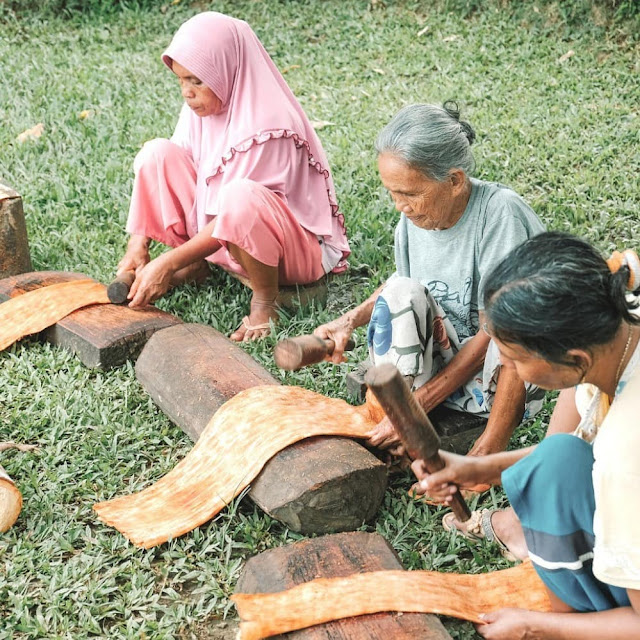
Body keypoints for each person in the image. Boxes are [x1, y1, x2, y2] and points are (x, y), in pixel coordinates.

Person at [414, 232, 640, 639]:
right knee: (558, 461)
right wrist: (477, 467)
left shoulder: (625, 456)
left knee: (556, 470)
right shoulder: (618, 319)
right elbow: (568, 449)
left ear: (574, 359)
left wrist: (536, 625)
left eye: (515, 360)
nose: (510, 373)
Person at [314, 102, 545, 457]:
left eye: (408, 193)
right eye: (392, 193)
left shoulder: (501, 215)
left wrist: (422, 401)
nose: (399, 206)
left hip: (498, 376)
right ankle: (397, 406)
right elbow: (402, 285)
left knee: (512, 323)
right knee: (401, 292)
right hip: (445, 358)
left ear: (454, 181)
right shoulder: (414, 220)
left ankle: (483, 439)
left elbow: (500, 331)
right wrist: (347, 321)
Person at [117, 12, 350, 341]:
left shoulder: (270, 124)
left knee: (239, 197)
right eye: (181, 80)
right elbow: (177, 164)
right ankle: (197, 265)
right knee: (156, 154)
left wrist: (167, 263)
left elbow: (236, 213)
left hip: (291, 252)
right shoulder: (205, 105)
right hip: (229, 235)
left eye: (196, 80)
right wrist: (137, 243)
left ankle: (265, 301)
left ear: (227, 70)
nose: (187, 92)